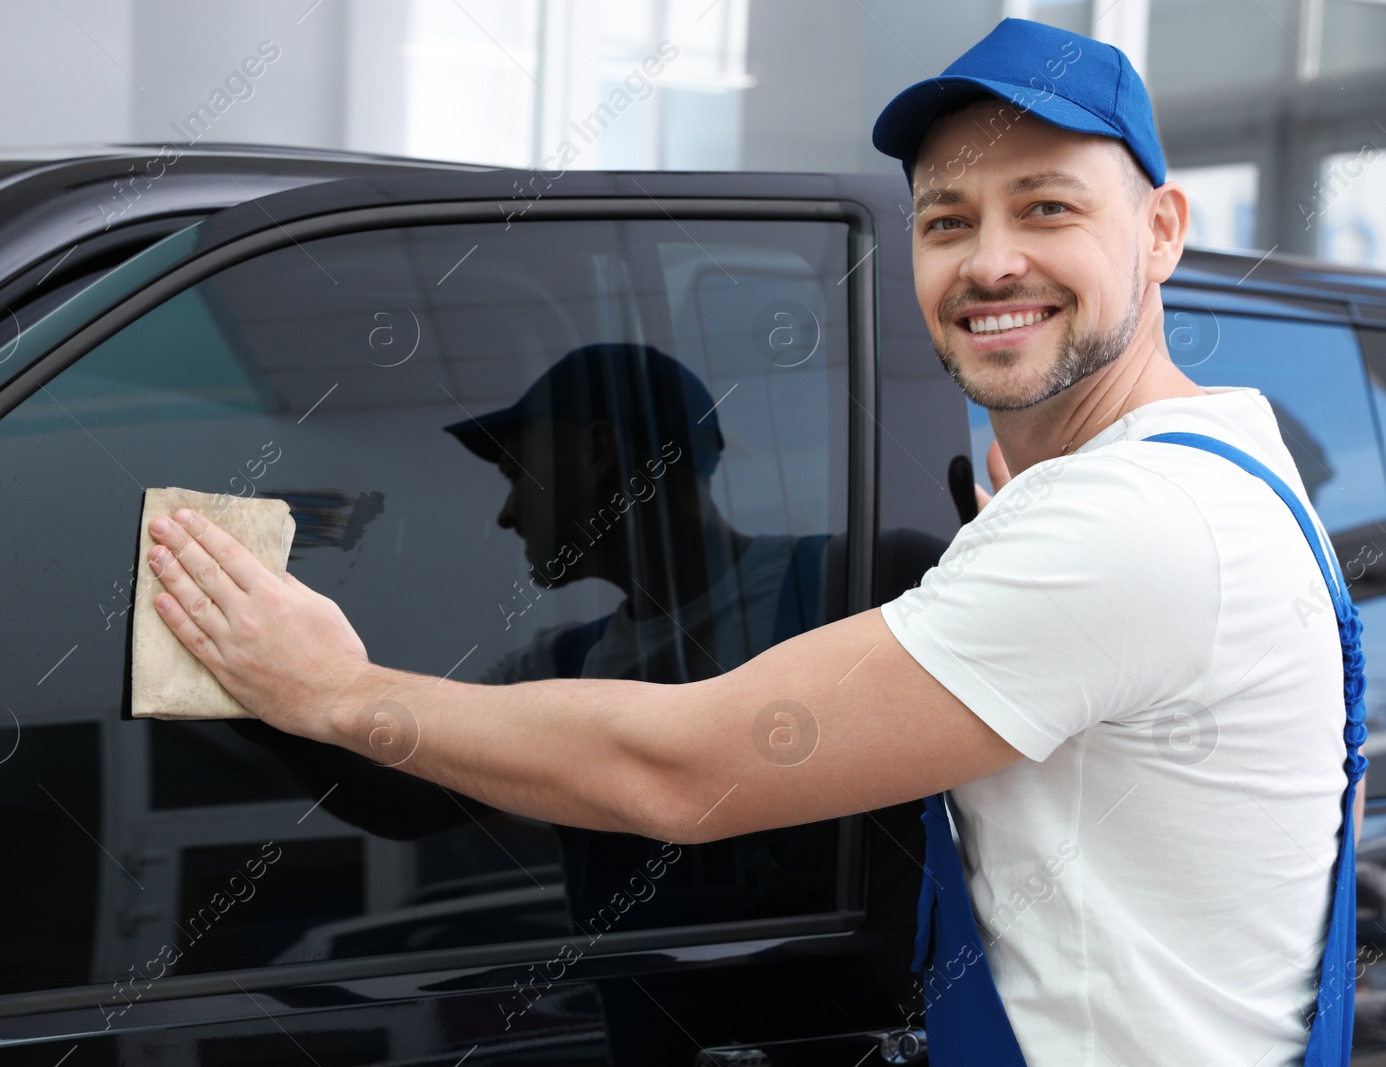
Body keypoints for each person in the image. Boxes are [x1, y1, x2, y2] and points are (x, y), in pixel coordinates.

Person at [141, 18, 1367, 1063]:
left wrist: (336, 688)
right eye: (944, 221)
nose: (989, 259)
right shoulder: (1201, 481)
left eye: (1046, 208)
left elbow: (683, 769)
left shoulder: (1127, 525)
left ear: (1160, 230)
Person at [230, 340, 949, 1063]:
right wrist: (266, 695)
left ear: (598, 451)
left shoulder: (868, 583)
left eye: (519, 474)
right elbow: (410, 792)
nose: (508, 514)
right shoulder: (556, 666)